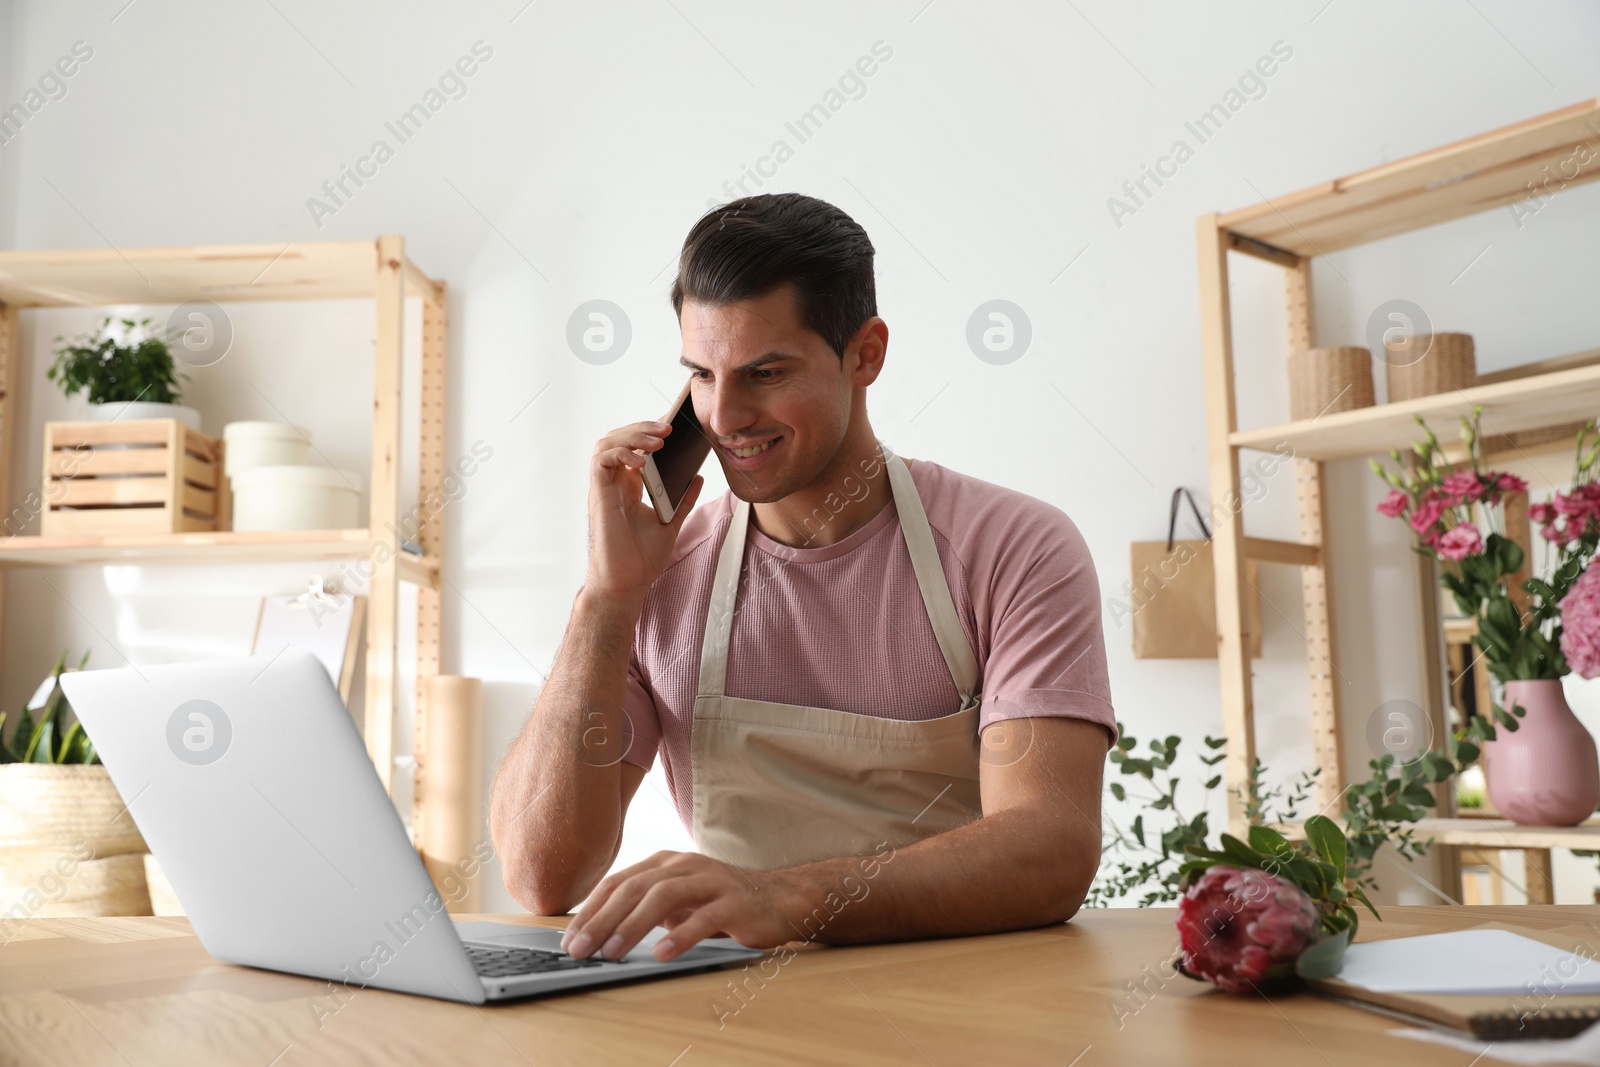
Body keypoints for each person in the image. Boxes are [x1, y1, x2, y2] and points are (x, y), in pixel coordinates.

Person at [489, 192, 1115, 966]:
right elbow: (540, 873)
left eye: (765, 372)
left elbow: (1049, 850)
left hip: (971, 1012)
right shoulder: (662, 577)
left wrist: (783, 896)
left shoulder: (1014, 548)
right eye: (702, 376)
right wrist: (606, 597)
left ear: (867, 355)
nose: (725, 417)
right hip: (743, 1023)